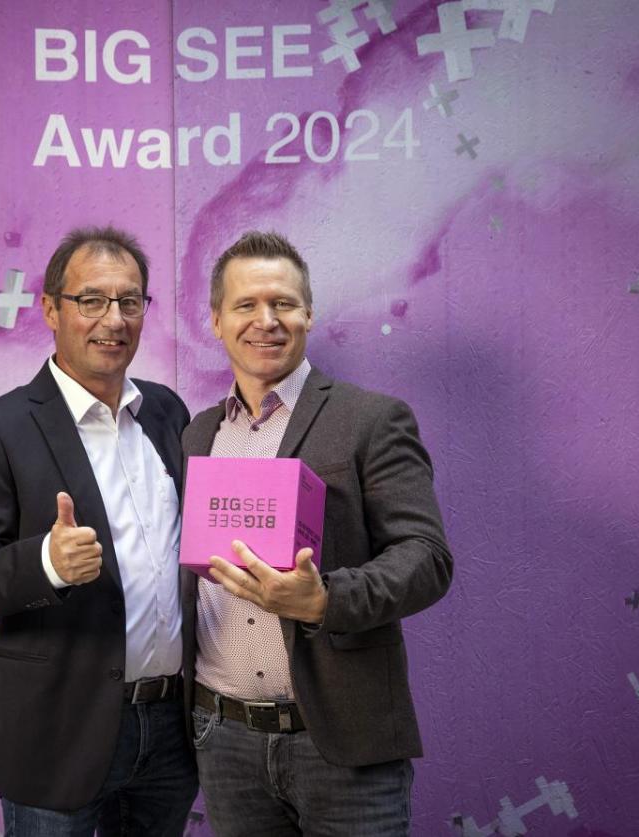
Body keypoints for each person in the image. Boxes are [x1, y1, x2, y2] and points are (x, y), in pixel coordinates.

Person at [180, 231, 454, 836]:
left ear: (308, 313)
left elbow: (427, 557)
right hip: (222, 740)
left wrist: (328, 599)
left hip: (341, 737)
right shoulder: (197, 435)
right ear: (217, 321)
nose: (266, 321)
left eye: (283, 303)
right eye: (246, 305)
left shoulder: (371, 419)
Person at [0, 226, 197, 836]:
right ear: (52, 309)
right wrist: (47, 563)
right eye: (91, 300)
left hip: (170, 728)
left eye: (129, 301)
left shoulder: (167, 412)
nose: (113, 319)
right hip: (57, 732)